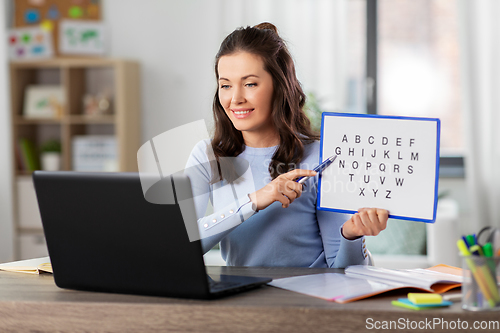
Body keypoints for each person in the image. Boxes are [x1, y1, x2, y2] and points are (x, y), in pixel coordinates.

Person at [185, 22, 388, 268]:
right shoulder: (207, 156)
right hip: (240, 299)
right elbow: (180, 244)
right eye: (225, 85)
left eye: (250, 84)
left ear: (279, 87)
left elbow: (343, 269)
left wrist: (352, 236)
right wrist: (255, 201)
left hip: (309, 301)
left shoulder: (322, 156)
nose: (235, 98)